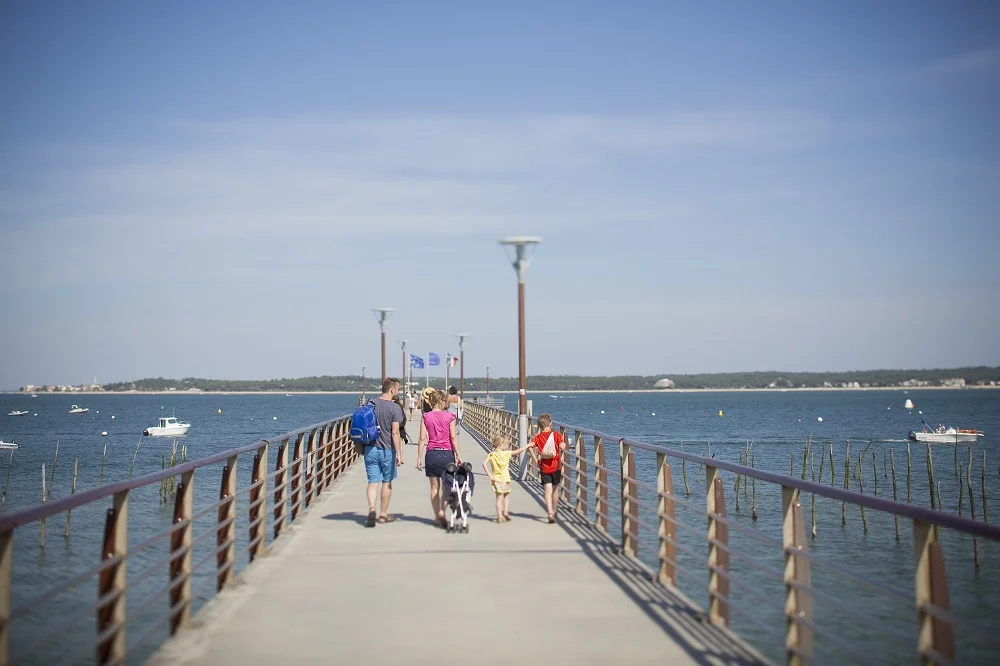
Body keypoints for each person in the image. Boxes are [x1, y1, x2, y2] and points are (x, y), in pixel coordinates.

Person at [416, 390, 462, 527]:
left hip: (431, 454)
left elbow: (422, 438)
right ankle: (442, 510)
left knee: (434, 488)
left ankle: (437, 516)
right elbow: (453, 437)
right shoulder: (450, 416)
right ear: (442, 402)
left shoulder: (426, 416)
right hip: (447, 454)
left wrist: (418, 457)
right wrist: (458, 455)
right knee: (447, 487)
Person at [363, 377, 405, 527]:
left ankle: (372, 508)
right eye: (398, 389)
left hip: (370, 449)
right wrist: (399, 454)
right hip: (387, 450)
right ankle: (382, 514)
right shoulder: (395, 408)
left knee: (372, 482)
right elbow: (395, 433)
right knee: (386, 482)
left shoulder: (370, 403)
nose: (398, 392)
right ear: (392, 389)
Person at [482, 435, 531, 523]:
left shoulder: (491, 455)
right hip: (505, 479)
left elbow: (484, 464)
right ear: (501, 445)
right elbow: (519, 451)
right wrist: (528, 445)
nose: (506, 447)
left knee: (498, 498)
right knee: (506, 496)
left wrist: (490, 475)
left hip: (496, 479)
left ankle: (499, 516)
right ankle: (506, 512)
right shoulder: (506, 453)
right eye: (505, 445)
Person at [531, 413, 566, 523]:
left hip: (544, 467)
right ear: (550, 423)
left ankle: (550, 512)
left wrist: (536, 460)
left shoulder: (538, 437)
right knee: (555, 490)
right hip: (556, 466)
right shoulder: (556, 435)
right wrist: (562, 445)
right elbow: (563, 447)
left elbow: (530, 447)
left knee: (547, 491)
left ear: (540, 425)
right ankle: (554, 511)